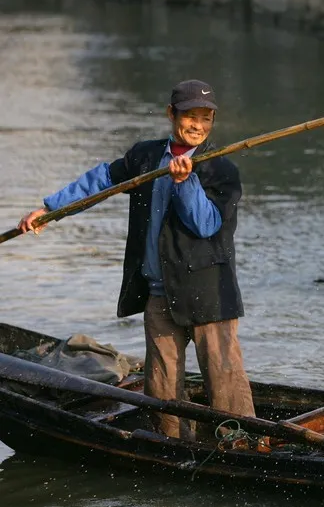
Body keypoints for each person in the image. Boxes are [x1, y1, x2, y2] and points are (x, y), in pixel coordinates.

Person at [17, 79, 256, 441]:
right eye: (190, 116)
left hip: (209, 294)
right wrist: (50, 210)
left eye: (205, 119)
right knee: (161, 389)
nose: (198, 126)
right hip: (160, 293)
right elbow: (101, 181)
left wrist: (186, 184)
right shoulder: (145, 157)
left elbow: (205, 225)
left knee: (225, 381)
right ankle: (172, 448)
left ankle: (245, 445)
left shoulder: (221, 171)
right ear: (170, 114)